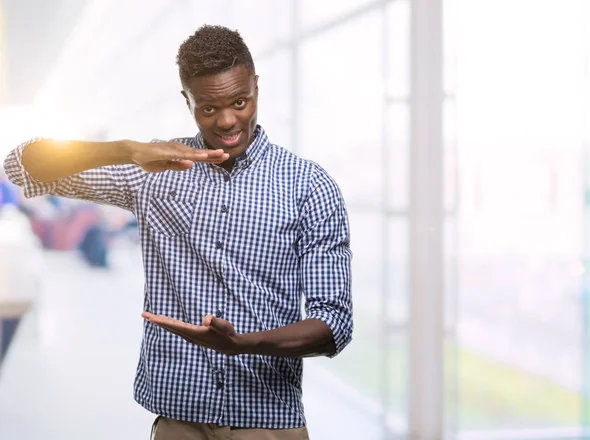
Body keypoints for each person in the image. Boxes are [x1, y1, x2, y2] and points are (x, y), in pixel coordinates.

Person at [3, 25, 353, 439]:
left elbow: (334, 325)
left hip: (268, 423)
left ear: (256, 85)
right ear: (187, 99)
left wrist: (244, 343)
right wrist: (127, 150)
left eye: (240, 101)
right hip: (178, 423)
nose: (228, 120)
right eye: (208, 108)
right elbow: (20, 164)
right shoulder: (152, 169)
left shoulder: (309, 186)